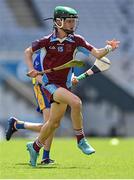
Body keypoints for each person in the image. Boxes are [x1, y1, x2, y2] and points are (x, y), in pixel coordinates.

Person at [24, 6, 120, 167]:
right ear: (58, 22)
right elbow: (28, 51)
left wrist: (109, 48)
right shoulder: (46, 41)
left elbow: (97, 54)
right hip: (49, 84)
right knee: (76, 102)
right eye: (69, 21)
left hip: (65, 85)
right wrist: (31, 69)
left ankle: (34, 147)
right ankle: (81, 139)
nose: (72, 24)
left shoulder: (77, 41)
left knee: (54, 123)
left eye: (73, 21)